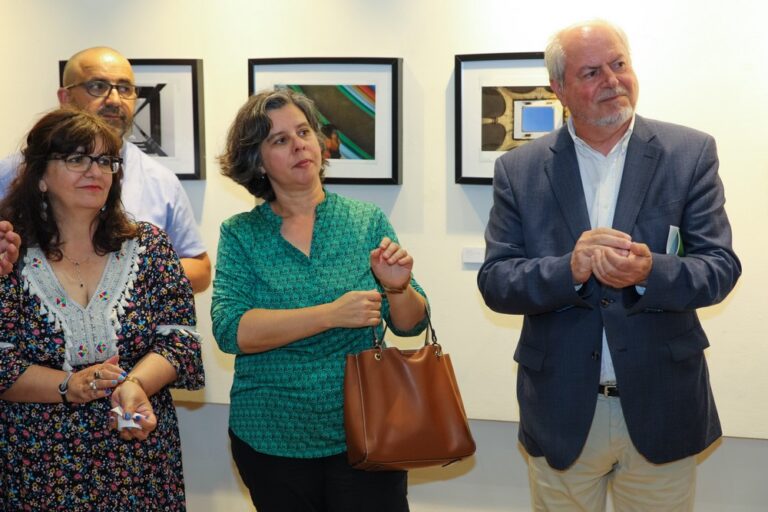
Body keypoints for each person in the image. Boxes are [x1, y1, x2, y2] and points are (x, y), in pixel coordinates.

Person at [477, 19, 741, 511]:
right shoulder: (520, 169)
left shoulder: (689, 153)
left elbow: (720, 267)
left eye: (620, 65)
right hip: (560, 405)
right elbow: (496, 280)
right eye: (592, 72)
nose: (613, 81)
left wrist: (651, 273)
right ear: (559, 88)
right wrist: (568, 271)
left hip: (663, 400)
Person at [212, 88, 429, 511]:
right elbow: (231, 329)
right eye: (279, 140)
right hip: (271, 433)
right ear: (256, 160)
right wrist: (330, 315)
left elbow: (410, 324)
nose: (298, 145)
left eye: (304, 131)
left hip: (367, 430)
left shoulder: (365, 220)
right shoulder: (240, 233)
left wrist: (397, 287)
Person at [0, 108, 205, 509]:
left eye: (105, 161)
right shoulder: (10, 254)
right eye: (76, 158)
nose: (94, 171)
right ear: (40, 176)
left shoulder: (150, 246)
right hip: (40, 465)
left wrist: (135, 384)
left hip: (138, 452)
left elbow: (180, 340)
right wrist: (69, 386)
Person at [0, 46, 211, 293]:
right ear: (65, 97)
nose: (114, 100)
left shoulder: (161, 180)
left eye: (124, 89)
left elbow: (200, 269)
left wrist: (126, 276)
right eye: (98, 86)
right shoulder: (9, 172)